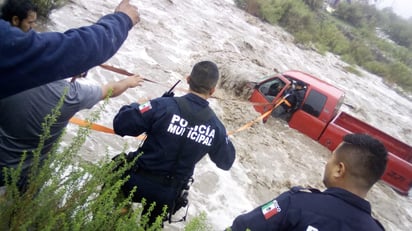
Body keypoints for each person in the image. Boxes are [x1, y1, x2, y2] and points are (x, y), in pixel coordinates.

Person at [113, 61, 236, 225]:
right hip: (169, 194)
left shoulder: (162, 105)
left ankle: (117, 219)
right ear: (213, 90)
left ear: (188, 79)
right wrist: (219, 135)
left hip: (137, 179)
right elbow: (226, 162)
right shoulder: (216, 127)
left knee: (115, 170)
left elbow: (120, 125)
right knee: (151, 225)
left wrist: (139, 105)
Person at [0, 72, 145, 192]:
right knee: (24, 202)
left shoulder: (15, 76)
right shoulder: (72, 95)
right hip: (25, 174)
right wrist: (127, 82)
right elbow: (110, 89)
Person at [229, 133, 387, 231]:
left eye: (331, 158)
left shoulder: (297, 204)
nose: (327, 163)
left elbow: (244, 227)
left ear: (339, 169)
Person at [0, 0, 140, 99]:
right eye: (30, 23)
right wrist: (122, 20)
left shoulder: (17, 74)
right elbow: (68, 50)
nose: (33, 27)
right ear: (15, 20)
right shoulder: (67, 95)